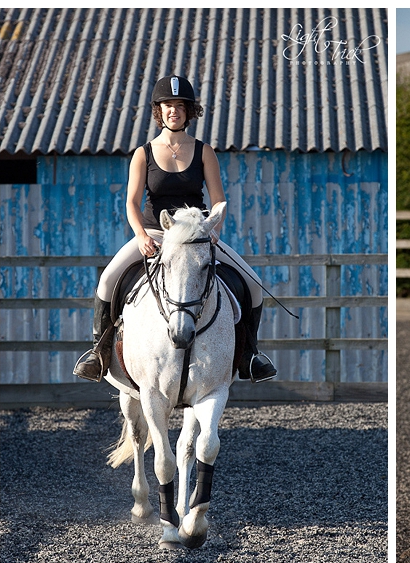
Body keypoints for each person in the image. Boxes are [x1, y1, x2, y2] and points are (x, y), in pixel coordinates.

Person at [73, 75, 276, 384]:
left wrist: (213, 227)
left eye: (181, 106)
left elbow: (219, 199)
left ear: (189, 112)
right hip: (156, 234)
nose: (174, 111)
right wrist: (141, 235)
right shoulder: (144, 153)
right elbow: (131, 202)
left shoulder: (204, 151)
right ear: (159, 110)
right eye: (168, 105)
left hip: (196, 237)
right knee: (106, 281)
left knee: (253, 283)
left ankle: (250, 354)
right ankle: (98, 354)